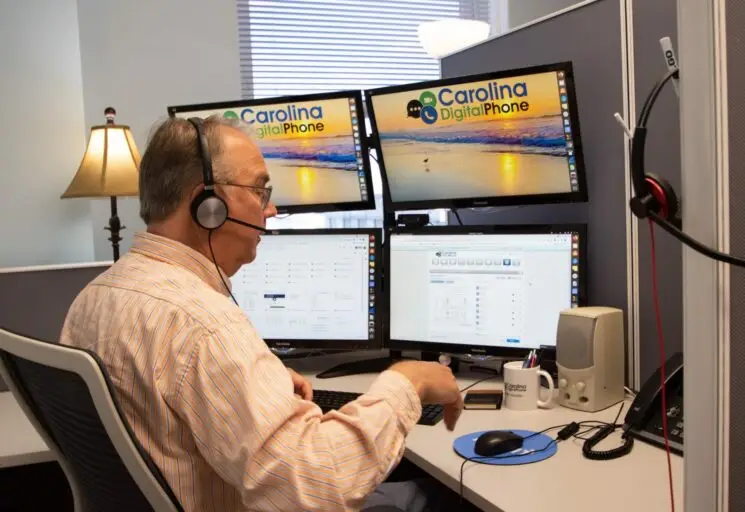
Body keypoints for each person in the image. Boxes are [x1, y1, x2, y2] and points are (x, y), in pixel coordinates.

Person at [59, 115, 464, 512]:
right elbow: (318, 489)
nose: (269, 211)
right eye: (259, 190)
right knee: (436, 498)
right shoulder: (205, 327)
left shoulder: (94, 297)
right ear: (208, 205)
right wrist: (404, 384)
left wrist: (256, 386)